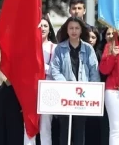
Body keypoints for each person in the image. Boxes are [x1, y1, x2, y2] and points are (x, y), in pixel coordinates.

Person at [50, 17, 100, 145]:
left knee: (80, 130)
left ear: (81, 30)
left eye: (77, 28)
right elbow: (54, 69)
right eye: (71, 28)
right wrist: (66, 86)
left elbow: (94, 72)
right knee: (65, 130)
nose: (74, 31)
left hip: (82, 97)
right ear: (66, 30)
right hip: (65, 96)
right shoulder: (59, 48)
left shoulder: (88, 48)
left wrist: (92, 90)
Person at [38, 16, 57, 145]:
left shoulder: (54, 48)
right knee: (28, 126)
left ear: (49, 29)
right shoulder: (29, 46)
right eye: (40, 26)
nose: (43, 28)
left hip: (47, 90)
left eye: (45, 26)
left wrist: (41, 67)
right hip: (31, 89)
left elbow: (56, 70)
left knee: (45, 127)